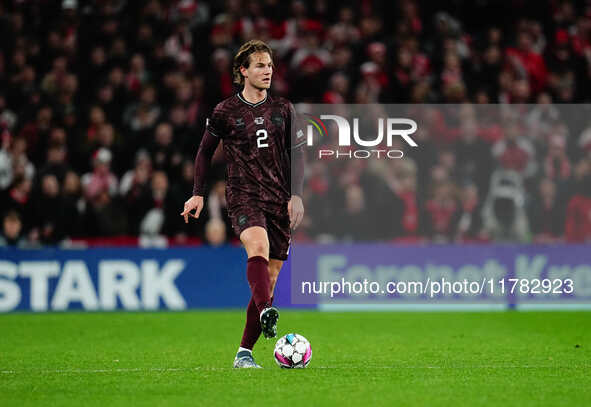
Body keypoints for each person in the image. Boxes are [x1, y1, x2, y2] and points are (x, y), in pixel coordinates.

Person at [180, 40, 305, 368]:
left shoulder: (283, 109)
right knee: (258, 248)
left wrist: (297, 194)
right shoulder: (225, 111)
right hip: (243, 195)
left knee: (272, 276)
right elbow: (205, 152)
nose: (268, 71)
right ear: (243, 71)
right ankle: (266, 310)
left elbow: (298, 154)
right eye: (260, 65)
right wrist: (197, 192)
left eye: (270, 65)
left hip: (278, 199)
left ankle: (244, 353)